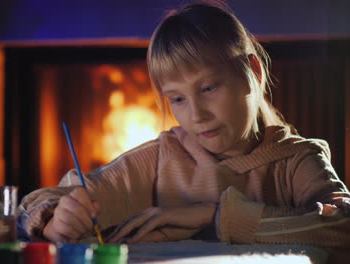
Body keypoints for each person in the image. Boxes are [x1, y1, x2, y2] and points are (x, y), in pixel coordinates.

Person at [18, 1, 350, 262]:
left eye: (208, 88)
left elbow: (342, 228)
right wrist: (54, 220)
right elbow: (39, 201)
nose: (197, 115)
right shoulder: (160, 159)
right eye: (177, 98)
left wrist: (217, 216)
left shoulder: (296, 160)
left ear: (253, 71)